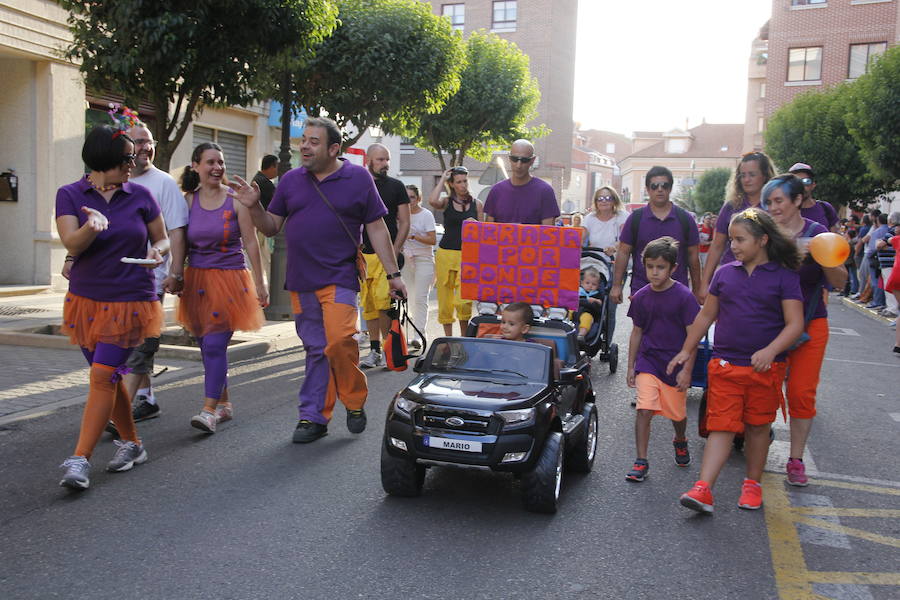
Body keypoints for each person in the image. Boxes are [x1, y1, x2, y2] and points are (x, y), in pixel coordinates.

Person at [232, 116, 406, 444]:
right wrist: (255, 208)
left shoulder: (358, 178)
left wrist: (393, 274)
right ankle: (313, 416)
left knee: (340, 339)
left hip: (340, 274)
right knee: (315, 348)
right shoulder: (290, 180)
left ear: (334, 148)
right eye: (304, 140)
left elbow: (377, 227)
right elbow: (270, 226)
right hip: (301, 279)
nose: (305, 146)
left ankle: (353, 401)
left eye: (313, 141)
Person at [669, 208, 804, 514]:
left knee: (758, 427)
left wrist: (770, 351)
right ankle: (703, 488)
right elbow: (705, 316)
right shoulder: (725, 273)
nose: (734, 246)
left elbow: (795, 324)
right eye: (731, 239)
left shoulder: (783, 276)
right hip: (726, 365)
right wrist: (686, 350)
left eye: (741, 239)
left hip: (766, 369)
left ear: (763, 240)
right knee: (721, 426)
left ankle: (752, 484)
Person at [55, 125, 168, 489]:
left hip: (130, 301)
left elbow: (163, 239)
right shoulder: (70, 195)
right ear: (105, 162)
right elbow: (72, 241)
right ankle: (133, 444)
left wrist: (157, 254)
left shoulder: (141, 196)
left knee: (102, 376)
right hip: (86, 302)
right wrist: (92, 227)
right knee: (111, 378)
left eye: (134, 158)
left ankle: (79, 460)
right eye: (126, 159)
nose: (133, 165)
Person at [67, 122, 188, 431]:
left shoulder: (157, 186)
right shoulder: (78, 192)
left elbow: (171, 233)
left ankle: (96, 439)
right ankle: (141, 408)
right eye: (134, 147)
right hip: (93, 295)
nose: (141, 152)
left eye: (147, 144)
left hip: (144, 284)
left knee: (123, 360)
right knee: (112, 366)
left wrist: (172, 268)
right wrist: (73, 253)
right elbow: (77, 239)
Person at [175, 143, 267, 434]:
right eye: (210, 162)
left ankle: (208, 410)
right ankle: (224, 404)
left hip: (230, 280)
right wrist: (174, 274)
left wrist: (260, 282)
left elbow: (251, 242)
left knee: (215, 346)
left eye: (221, 162)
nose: (217, 168)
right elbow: (178, 242)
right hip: (196, 283)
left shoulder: (236, 200)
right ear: (195, 166)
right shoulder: (187, 201)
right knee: (206, 348)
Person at [763, 174, 847, 486]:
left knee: (801, 392)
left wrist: (821, 254)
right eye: (769, 202)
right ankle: (755, 439)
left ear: (798, 201)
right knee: (762, 390)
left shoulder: (819, 233)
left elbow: (839, 282)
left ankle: (796, 460)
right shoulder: (764, 233)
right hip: (769, 323)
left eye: (779, 201)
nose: (773, 207)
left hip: (811, 323)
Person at [625, 237, 700, 482]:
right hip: (649, 361)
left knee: (677, 415)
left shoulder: (684, 297)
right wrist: (631, 366)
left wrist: (687, 370)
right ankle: (641, 460)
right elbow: (636, 332)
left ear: (673, 268)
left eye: (660, 267)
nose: (654, 272)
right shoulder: (641, 297)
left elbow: (693, 335)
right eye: (649, 267)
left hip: (674, 364)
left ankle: (680, 439)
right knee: (644, 408)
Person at [611, 166, 701, 304]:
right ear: (648, 189)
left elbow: (693, 257)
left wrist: (697, 288)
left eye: (664, 185)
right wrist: (617, 285)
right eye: (654, 186)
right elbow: (623, 253)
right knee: (641, 327)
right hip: (641, 290)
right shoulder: (635, 219)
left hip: (678, 293)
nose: (660, 189)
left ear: (670, 188)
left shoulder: (685, 219)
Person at [699, 152, 776, 301]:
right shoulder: (731, 206)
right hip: (732, 277)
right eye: (742, 175)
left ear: (765, 176)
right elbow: (717, 246)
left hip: (766, 279)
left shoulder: (774, 206)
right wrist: (704, 283)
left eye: (752, 175)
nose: (746, 180)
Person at [359, 143, 410, 369]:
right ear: (368, 160)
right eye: (380, 159)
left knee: (384, 304)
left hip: (385, 257)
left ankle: (392, 349)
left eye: (387, 159)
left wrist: (394, 250)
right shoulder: (358, 184)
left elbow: (405, 222)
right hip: (363, 256)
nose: (385, 164)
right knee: (368, 305)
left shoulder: (396, 186)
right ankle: (375, 351)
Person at [429, 166, 483, 336]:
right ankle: (448, 340)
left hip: (467, 256)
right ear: (452, 184)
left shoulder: (477, 204)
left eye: (465, 180)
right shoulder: (446, 202)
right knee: (445, 299)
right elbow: (432, 201)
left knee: (463, 300)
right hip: (445, 254)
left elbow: (483, 233)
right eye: (458, 182)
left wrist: (476, 226)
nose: (463, 185)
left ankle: (464, 338)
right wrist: (443, 179)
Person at [483, 139, 560, 225]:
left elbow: (548, 233)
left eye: (524, 160)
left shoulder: (545, 191)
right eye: (514, 159)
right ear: (509, 158)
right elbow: (488, 231)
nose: (518, 165)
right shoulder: (496, 191)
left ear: (532, 160)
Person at [400, 184, 436, 350]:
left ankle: (418, 335)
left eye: (412, 197)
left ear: (418, 198)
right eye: (406, 197)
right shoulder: (399, 215)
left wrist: (413, 235)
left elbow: (432, 240)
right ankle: (415, 330)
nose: (409, 201)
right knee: (411, 298)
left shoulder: (426, 215)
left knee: (421, 297)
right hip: (405, 260)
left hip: (424, 259)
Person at [788, 163, 839, 232]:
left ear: (813, 185)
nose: (801, 186)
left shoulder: (826, 208)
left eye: (806, 181)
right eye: (796, 182)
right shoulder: (785, 211)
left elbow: (835, 238)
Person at [252, 154, 279, 283]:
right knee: (266, 259)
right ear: (271, 166)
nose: (278, 170)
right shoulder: (265, 183)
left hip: (257, 226)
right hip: (264, 227)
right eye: (277, 167)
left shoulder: (257, 179)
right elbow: (278, 204)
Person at [577, 267, 604, 342]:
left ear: (598, 286)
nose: (590, 286)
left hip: (588, 312)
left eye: (594, 284)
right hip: (575, 312)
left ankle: (581, 335)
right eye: (587, 283)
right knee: (567, 311)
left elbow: (600, 303)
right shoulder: (578, 291)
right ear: (582, 283)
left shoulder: (596, 294)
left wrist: (596, 301)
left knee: (587, 319)